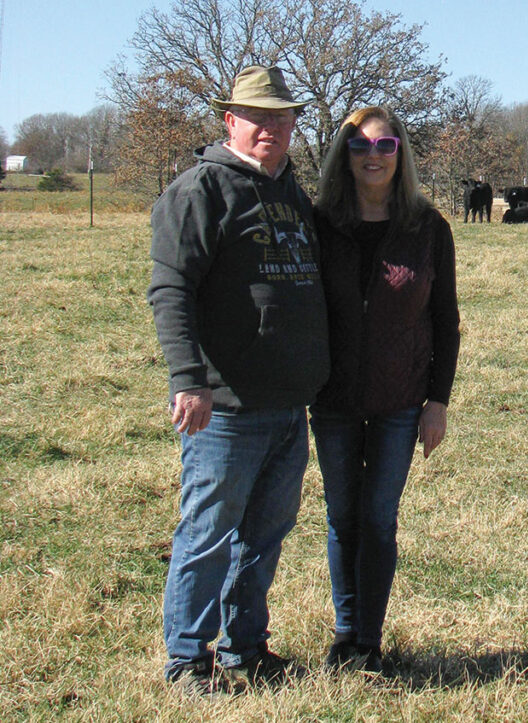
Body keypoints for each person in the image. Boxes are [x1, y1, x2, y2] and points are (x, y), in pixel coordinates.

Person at [148, 65, 329, 695]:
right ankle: (187, 659)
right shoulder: (202, 189)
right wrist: (187, 378)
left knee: (266, 535)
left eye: (282, 118)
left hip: (288, 403)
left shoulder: (291, 193)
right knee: (207, 531)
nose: (271, 130)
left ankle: (245, 648)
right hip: (225, 406)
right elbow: (171, 289)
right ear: (230, 120)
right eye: (259, 118)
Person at [312, 106, 460, 674]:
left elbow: (445, 320)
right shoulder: (320, 223)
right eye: (359, 145)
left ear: (401, 154)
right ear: (342, 155)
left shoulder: (428, 228)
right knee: (342, 517)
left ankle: (368, 641)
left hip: (401, 402)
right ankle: (344, 633)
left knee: (378, 518)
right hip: (334, 401)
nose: (373, 156)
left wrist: (437, 402)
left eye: (385, 144)